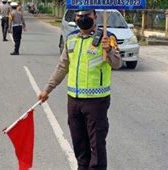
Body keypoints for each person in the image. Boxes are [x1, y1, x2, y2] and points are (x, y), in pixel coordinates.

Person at [38, 9, 121, 170]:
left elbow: (117, 64)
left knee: (97, 146)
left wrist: (109, 50)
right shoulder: (71, 39)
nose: (83, 18)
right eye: (79, 15)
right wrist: (47, 90)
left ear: (95, 16)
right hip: (74, 102)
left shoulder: (107, 37)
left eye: (87, 15)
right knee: (80, 147)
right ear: (75, 17)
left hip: (96, 102)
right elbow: (62, 67)